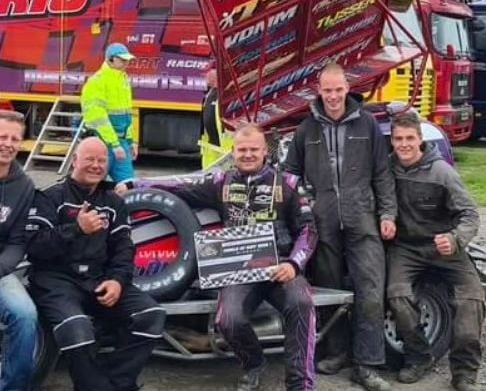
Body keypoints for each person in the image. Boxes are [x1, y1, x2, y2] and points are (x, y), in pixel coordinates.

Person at [118, 124, 318, 391]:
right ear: (233, 151)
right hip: (239, 270)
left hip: (281, 266)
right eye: (242, 150)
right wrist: (134, 184)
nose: (248, 154)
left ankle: (300, 384)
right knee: (228, 320)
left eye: (254, 149)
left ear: (265, 152)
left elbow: (308, 230)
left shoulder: (289, 184)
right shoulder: (221, 182)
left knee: (302, 303)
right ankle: (253, 364)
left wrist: (294, 263)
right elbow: (178, 184)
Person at [284, 63, 397, 391]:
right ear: (319, 91)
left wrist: (387, 213)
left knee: (370, 291)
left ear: (348, 89)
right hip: (324, 223)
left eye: (338, 90)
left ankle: (367, 364)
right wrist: (306, 208)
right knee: (329, 290)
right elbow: (291, 175)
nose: (333, 96)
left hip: (363, 217)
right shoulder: (306, 129)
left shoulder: (367, 124)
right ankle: (337, 353)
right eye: (327, 90)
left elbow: (382, 173)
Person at [25, 137, 166, 391]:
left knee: (151, 316)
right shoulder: (49, 197)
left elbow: (124, 248)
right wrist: (76, 229)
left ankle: (116, 383)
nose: (96, 165)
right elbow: (35, 248)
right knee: (76, 328)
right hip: (57, 280)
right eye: (89, 159)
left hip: (100, 279)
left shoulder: (114, 201)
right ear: (74, 161)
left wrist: (117, 281)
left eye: (102, 160)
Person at [387, 112, 485, 391]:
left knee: (471, 300)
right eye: (398, 139)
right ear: (392, 141)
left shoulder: (442, 172)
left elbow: (470, 215)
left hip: (445, 248)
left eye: (409, 138)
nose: (404, 144)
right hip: (406, 247)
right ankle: (419, 357)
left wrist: (455, 239)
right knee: (397, 296)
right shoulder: (387, 169)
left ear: (420, 139)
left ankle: (464, 372)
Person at [0, 109, 38, 391]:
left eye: (15, 139)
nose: (8, 144)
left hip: (0, 269)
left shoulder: (24, 186)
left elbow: (17, 242)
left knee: (25, 315)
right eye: (2, 137)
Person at [81, 42, 138, 183]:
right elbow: (98, 118)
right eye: (122, 60)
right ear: (110, 59)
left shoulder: (123, 79)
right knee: (91, 184)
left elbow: (127, 114)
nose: (126, 63)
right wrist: (114, 144)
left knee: (128, 185)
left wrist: (130, 141)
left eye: (127, 60)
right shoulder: (97, 82)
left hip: (120, 143)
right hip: (101, 142)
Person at [199, 67, 232, 169]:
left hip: (225, 146)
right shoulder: (209, 94)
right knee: (209, 173)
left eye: (208, 72)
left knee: (226, 172)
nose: (205, 76)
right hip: (211, 146)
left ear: (216, 73)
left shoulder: (227, 93)